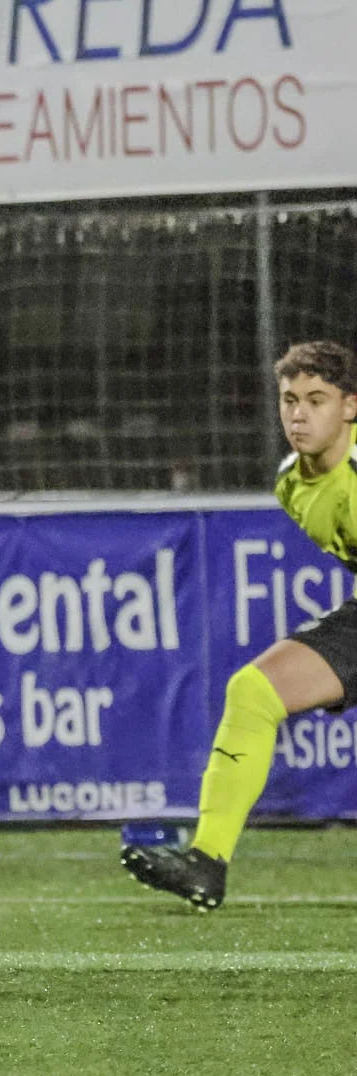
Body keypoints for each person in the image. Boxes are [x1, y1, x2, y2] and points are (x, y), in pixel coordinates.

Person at [124, 340, 357, 910]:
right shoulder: (292, 484)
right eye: (289, 400)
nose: (298, 415)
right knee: (253, 691)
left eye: (317, 400)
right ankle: (207, 861)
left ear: (350, 407)